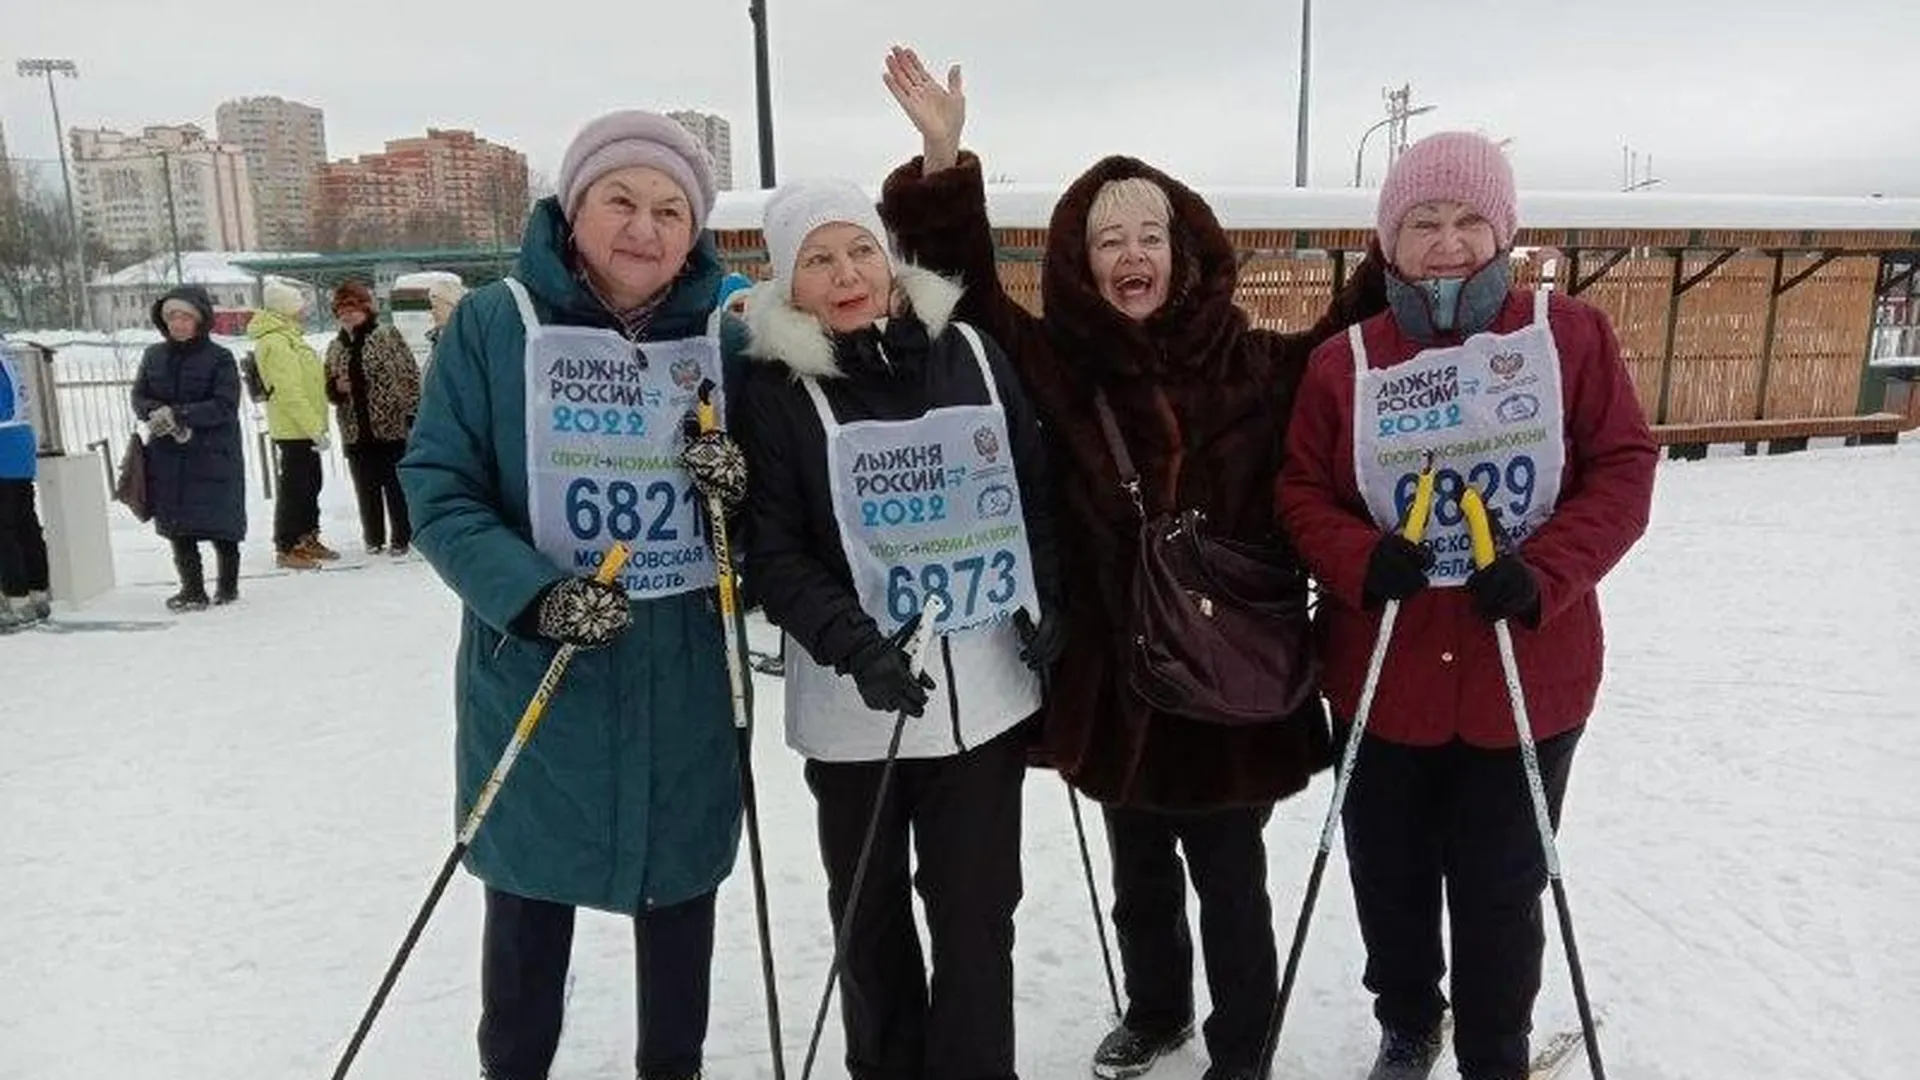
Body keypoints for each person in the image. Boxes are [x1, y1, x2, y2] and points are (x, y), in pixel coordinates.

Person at [878, 46, 1386, 1080]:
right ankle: (1159, 1010)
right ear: (1081, 259)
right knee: (1138, 867)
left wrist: (1412, 236)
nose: (1132, 251)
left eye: (1152, 232)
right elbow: (965, 299)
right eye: (1109, 238)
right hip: (1113, 678)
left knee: (1232, 878)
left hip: (1228, 671)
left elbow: (1351, 333)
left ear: (1186, 248)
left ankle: (1243, 1050)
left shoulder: (1254, 361)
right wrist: (943, 160)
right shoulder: (1058, 365)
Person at [1278, 132, 1657, 1080]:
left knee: (1501, 885)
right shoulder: (1345, 363)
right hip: (1385, 673)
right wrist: (1364, 558)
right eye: (1422, 223)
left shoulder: (1567, 335)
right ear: (1389, 242)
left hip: (1525, 673)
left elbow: (1623, 466)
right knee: (1391, 877)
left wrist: (1548, 569)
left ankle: (1497, 1047)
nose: (1446, 243)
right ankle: (1409, 1021)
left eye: (1466, 220)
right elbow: (1299, 493)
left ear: (1503, 230)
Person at [398, 109, 746, 1080]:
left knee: (681, 905)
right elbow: (440, 485)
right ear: (573, 206)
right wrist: (535, 597)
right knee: (526, 910)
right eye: (621, 201)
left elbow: (788, 501)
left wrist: (737, 489)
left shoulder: (728, 330)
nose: (645, 227)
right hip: (544, 668)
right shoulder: (495, 323)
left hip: (682, 679)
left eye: (671, 209)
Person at [737, 179, 1064, 1080]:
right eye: (818, 260)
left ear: (889, 260)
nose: (845, 274)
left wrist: (1047, 597)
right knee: (870, 920)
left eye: (860, 251)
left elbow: (1031, 492)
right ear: (789, 284)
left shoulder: (973, 354)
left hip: (981, 702)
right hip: (857, 716)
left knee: (975, 917)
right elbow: (771, 551)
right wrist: (852, 643)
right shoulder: (775, 389)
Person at [130, 286, 249, 611]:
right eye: (172, 317)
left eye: (185, 317)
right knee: (178, 527)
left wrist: (181, 415)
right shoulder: (153, 356)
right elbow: (139, 396)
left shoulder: (220, 358)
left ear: (200, 320)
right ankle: (192, 589)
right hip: (168, 456)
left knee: (222, 526)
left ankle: (228, 586)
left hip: (213, 453)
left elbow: (225, 405)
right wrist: (154, 411)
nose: (179, 323)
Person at [325, 280, 422, 556]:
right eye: (342, 309)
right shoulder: (335, 346)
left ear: (366, 309)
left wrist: (411, 412)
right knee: (366, 487)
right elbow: (329, 386)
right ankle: (373, 537)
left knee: (395, 486)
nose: (347, 314)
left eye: (352, 308)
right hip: (355, 428)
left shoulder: (386, 335)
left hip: (389, 426)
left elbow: (408, 374)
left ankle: (402, 537)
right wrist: (336, 388)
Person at [249, 278, 336, 569]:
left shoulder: (290, 337)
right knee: (295, 488)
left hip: (305, 428)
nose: (304, 310)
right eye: (299, 305)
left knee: (311, 484)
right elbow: (289, 391)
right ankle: (287, 545)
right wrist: (313, 428)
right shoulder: (276, 342)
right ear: (286, 308)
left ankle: (307, 536)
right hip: (294, 429)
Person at [0, 342, 51, 630]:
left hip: (2, 443)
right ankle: (38, 593)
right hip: (20, 442)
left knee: (5, 530)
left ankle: (16, 600)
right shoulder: (6, 352)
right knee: (25, 523)